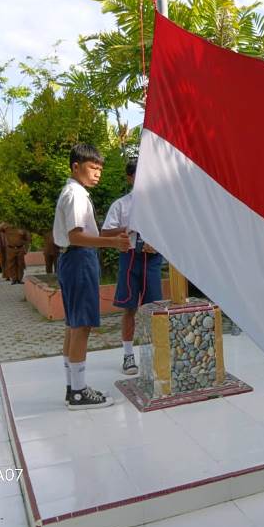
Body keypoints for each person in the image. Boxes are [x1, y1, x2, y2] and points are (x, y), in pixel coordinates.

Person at [53, 144, 130, 410]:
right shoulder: (75, 195)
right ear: (76, 166)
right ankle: (78, 392)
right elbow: (76, 236)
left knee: (74, 325)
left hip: (73, 258)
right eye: (93, 168)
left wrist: (116, 235)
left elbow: (82, 234)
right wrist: (112, 243)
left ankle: (73, 387)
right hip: (78, 258)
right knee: (82, 325)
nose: (98, 173)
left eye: (100, 169)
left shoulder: (74, 192)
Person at [102, 158, 164, 376]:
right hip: (129, 258)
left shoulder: (159, 205)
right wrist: (127, 228)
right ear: (130, 178)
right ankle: (128, 356)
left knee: (154, 309)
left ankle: (155, 355)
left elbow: (168, 232)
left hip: (152, 260)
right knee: (129, 307)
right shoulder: (121, 205)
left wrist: (157, 244)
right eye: (138, 175)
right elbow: (105, 232)